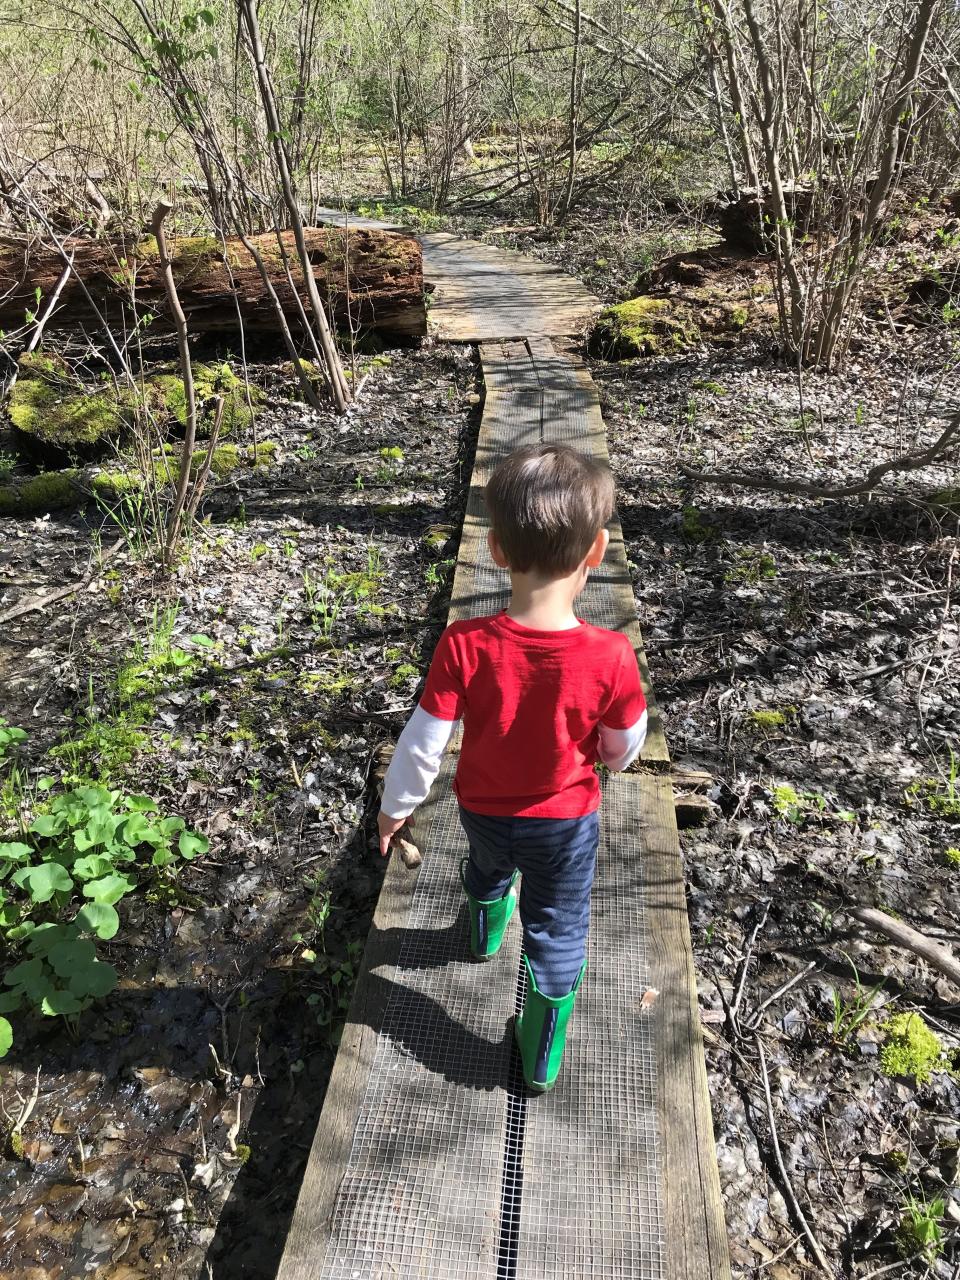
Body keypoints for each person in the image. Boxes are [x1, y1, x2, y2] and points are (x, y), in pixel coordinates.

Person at [377, 443, 648, 1092]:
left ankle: (481, 931)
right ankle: (541, 1050)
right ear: (596, 552)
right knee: (557, 926)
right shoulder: (611, 656)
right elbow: (625, 744)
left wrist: (396, 809)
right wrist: (607, 756)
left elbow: (425, 742)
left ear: (496, 550)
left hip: (485, 811)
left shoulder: (465, 644)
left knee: (488, 870)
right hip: (566, 823)